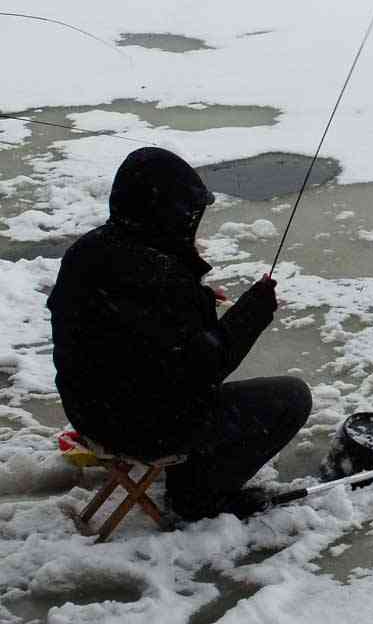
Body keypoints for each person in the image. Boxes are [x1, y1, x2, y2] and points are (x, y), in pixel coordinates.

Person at [47, 146, 312, 520]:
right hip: (142, 428)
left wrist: (196, 297)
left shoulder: (91, 249)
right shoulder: (159, 278)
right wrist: (253, 311)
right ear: (166, 212)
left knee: (170, 390)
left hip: (89, 411)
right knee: (291, 398)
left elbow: (134, 329)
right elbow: (206, 367)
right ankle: (198, 498)